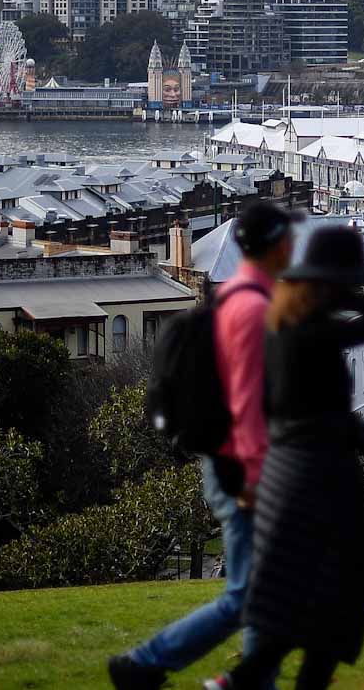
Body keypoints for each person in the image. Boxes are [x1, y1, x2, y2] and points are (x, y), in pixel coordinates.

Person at [206, 225, 364, 690]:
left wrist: (341, 290)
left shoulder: (292, 325)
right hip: (318, 471)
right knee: (343, 580)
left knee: (311, 586)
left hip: (295, 471)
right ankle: (248, 680)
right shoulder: (307, 333)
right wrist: (353, 294)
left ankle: (244, 678)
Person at [109, 200, 295, 690]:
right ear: (276, 244)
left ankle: (249, 682)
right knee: (248, 594)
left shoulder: (237, 298)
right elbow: (248, 405)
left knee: (263, 588)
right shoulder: (253, 309)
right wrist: (253, 479)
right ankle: (146, 663)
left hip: (233, 463)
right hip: (242, 468)